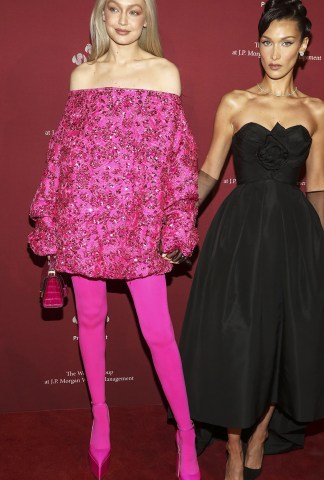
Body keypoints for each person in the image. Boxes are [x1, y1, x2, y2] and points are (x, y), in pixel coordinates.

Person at [28, 1, 200, 479]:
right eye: (114, 10)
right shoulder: (83, 77)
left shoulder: (165, 74)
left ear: (147, 19)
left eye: (134, 10)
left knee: (158, 333)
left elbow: (178, 158)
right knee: (91, 318)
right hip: (84, 216)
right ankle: (99, 416)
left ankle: (185, 431)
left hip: (140, 221)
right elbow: (63, 155)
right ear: (101, 16)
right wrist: (52, 219)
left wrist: (177, 220)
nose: (123, 21)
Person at [178, 0, 324, 479]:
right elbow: (209, 170)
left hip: (293, 237)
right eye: (267, 42)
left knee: (280, 342)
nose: (274, 53)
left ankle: (261, 434)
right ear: (258, 45)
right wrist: (180, 215)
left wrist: (316, 252)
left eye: (287, 43)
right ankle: (230, 444)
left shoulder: (317, 111)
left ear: (304, 48)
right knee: (237, 339)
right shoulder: (235, 101)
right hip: (239, 234)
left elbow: (318, 184)